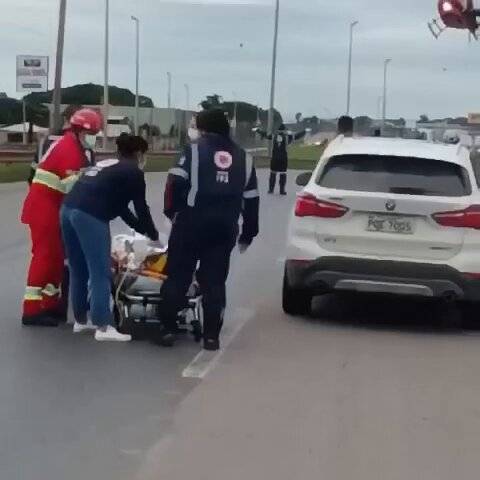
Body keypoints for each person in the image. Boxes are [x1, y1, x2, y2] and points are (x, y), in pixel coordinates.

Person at [160, 108, 259, 350]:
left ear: (202, 127)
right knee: (214, 281)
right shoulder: (244, 157)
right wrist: (249, 233)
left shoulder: (192, 150)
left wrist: (172, 213)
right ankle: (211, 337)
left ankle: (168, 328)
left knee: (178, 275)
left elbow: (174, 184)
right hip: (224, 227)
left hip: (191, 223)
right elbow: (252, 199)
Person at [61, 134, 158, 342]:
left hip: (68, 210)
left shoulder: (107, 164)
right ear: (139, 153)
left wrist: (140, 228)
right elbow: (141, 208)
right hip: (90, 215)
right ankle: (103, 327)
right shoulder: (134, 172)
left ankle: (80, 320)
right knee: (100, 271)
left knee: (78, 269)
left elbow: (121, 207)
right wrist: (153, 235)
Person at [21, 108, 103, 327]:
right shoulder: (68, 149)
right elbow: (72, 187)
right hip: (44, 207)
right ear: (79, 131)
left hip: (52, 206)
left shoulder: (74, 147)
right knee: (45, 256)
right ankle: (31, 309)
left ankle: (48, 304)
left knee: (56, 258)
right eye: (91, 133)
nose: (93, 138)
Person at [254, 124, 307, 195]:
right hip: (283, 159)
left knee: (273, 174)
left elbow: (265, 134)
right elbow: (297, 136)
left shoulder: (273, 136)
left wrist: (257, 130)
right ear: (284, 130)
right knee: (283, 174)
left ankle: (271, 189)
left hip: (274, 158)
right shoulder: (288, 137)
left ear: (278, 130)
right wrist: (305, 131)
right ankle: (282, 190)